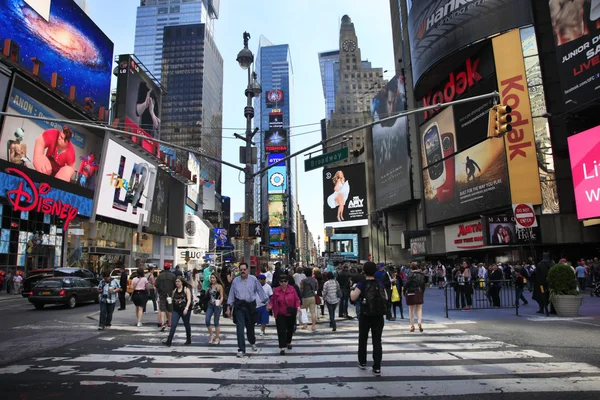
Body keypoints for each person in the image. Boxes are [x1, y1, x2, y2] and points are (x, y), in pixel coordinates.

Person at [350, 261, 387, 376]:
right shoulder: (379, 283)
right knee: (377, 340)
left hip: (365, 315)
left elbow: (353, 297)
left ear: (364, 271)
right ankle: (377, 367)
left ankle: (362, 362)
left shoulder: (362, 284)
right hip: (378, 315)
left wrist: (352, 289)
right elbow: (386, 297)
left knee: (363, 339)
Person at [226, 263, 269, 358]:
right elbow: (231, 294)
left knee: (250, 327)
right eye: (241, 269)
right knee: (240, 328)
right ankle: (241, 349)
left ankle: (252, 341)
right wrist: (229, 306)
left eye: (244, 269)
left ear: (247, 270)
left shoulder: (253, 279)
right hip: (239, 307)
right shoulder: (235, 281)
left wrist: (267, 302)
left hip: (250, 306)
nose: (242, 271)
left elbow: (260, 291)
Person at [270, 275, 301, 355]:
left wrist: (298, 307)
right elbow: (272, 300)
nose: (283, 283)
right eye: (281, 281)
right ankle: (282, 347)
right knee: (281, 330)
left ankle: (288, 342)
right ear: (279, 282)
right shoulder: (276, 290)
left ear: (288, 282)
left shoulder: (292, 289)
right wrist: (270, 306)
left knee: (290, 329)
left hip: (290, 312)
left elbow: (297, 299)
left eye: (285, 281)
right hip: (280, 313)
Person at [162, 277, 193, 346]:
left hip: (184, 309)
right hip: (176, 310)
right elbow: (173, 299)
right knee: (173, 325)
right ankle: (169, 340)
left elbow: (189, 300)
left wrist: (186, 308)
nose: (177, 283)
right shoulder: (175, 290)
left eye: (178, 281)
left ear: (182, 282)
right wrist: (170, 301)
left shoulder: (186, 289)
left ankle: (188, 339)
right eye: (176, 281)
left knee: (186, 324)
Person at [405, 264, 426, 332]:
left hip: (411, 292)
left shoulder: (410, 275)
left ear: (411, 269)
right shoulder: (421, 275)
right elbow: (423, 284)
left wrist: (404, 291)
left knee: (411, 309)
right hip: (419, 291)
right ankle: (419, 322)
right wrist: (422, 292)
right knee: (419, 308)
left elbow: (407, 284)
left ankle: (412, 325)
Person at [156, 264, 177, 331]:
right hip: (170, 294)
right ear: (169, 268)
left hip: (162, 294)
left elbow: (156, 285)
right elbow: (175, 285)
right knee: (170, 309)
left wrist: (160, 291)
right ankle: (169, 324)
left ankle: (162, 323)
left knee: (162, 309)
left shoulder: (160, 276)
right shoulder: (173, 276)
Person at [205, 273, 224, 345]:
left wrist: (220, 303)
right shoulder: (209, 286)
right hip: (210, 305)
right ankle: (211, 335)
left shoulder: (219, 286)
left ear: (216, 278)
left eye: (213, 278)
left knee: (216, 322)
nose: (212, 279)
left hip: (217, 305)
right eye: (211, 278)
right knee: (207, 320)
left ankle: (217, 338)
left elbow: (222, 296)